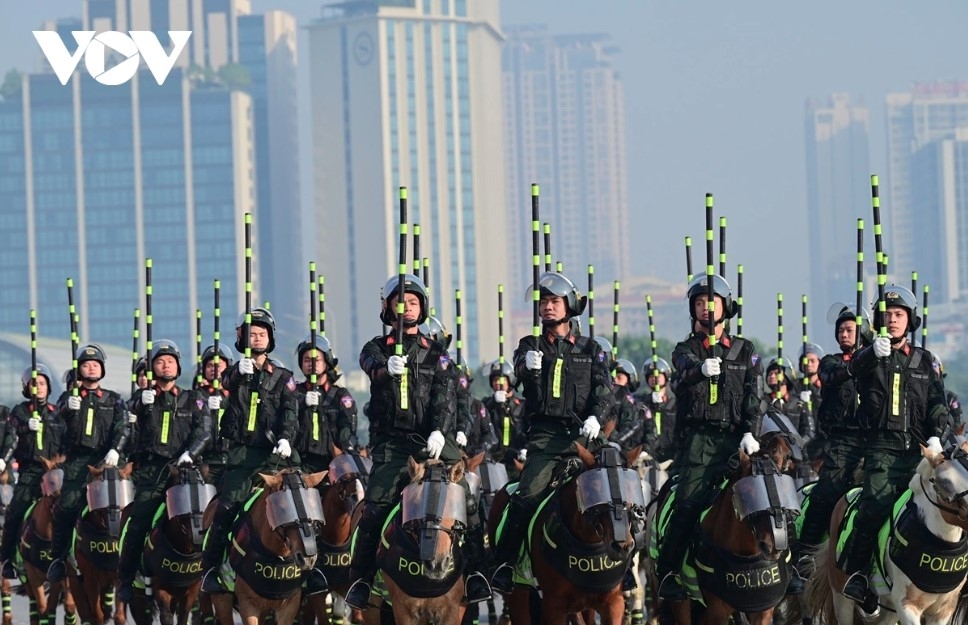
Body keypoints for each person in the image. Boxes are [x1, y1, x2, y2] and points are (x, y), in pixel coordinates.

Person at [345, 275, 490, 609]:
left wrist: (440, 430)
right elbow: (369, 366)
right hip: (393, 444)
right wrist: (385, 369)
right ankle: (362, 579)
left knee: (467, 492)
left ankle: (477, 572)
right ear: (388, 307)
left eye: (413, 302)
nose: (406, 307)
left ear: (421, 308)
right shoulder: (376, 348)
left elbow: (445, 398)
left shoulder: (437, 353)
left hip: (433, 440)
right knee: (375, 507)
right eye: (400, 301)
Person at [489, 272, 614, 595]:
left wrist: (597, 419)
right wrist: (526, 367)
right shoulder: (529, 346)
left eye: (554, 302)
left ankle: (622, 563)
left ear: (569, 306)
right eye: (543, 302)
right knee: (526, 496)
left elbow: (604, 391)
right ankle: (503, 565)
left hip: (585, 437)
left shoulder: (591, 348)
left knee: (620, 494)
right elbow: (517, 377)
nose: (547, 308)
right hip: (546, 439)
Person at [839, 286, 947, 615]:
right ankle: (858, 574)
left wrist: (937, 436)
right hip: (882, 451)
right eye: (888, 315)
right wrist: (872, 352)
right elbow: (851, 370)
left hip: (918, 454)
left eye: (899, 315)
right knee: (872, 508)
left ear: (910, 320)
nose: (894, 319)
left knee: (950, 509)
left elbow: (937, 404)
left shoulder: (925, 361)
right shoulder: (869, 357)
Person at [654, 275, 761, 601]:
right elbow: (680, 377)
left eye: (710, 302)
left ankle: (784, 564)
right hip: (700, 441)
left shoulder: (745, 350)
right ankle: (668, 572)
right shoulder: (685, 349)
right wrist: (700, 369)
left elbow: (751, 397)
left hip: (736, 441)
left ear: (725, 306)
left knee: (766, 498)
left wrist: (750, 432)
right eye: (698, 303)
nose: (704, 308)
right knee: (687, 502)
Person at [200, 307, 301, 595]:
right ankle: (211, 569)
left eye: (261, 334)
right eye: (251, 334)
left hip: (274, 458)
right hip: (242, 458)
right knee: (226, 509)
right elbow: (224, 387)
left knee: (304, 505)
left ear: (270, 339)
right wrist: (235, 375)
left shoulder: (283, 377)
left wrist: (286, 438)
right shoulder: (234, 374)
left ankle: (311, 568)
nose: (257, 338)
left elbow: (290, 413)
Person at [116, 340, 210, 601]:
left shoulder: (194, 398)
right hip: (153, 473)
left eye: (170, 361)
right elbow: (128, 415)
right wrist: (141, 403)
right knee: (137, 524)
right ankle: (126, 577)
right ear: (152, 368)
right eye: (160, 361)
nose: (166, 365)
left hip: (186, 472)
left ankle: (214, 571)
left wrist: (189, 454)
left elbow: (204, 431)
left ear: (178, 367)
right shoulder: (143, 399)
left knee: (209, 519)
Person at [795, 305, 870, 580]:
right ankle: (803, 557)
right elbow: (832, 377)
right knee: (826, 492)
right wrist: (859, 363)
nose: (843, 333)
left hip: (873, 441)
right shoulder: (831, 362)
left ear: (862, 332)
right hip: (841, 442)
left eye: (850, 329)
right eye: (840, 330)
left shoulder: (878, 363)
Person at [47, 345, 127, 582]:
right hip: (78, 464)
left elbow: (123, 427)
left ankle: (134, 558)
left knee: (125, 508)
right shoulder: (67, 398)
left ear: (102, 369)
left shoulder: (114, 399)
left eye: (95, 364)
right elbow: (55, 423)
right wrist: (66, 409)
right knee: (66, 508)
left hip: (107, 462)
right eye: (85, 364)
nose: (91, 367)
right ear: (79, 370)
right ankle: (58, 559)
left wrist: (116, 449)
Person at [0, 364, 65, 578]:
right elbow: (13, 429)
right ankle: (6, 559)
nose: (39, 387)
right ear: (27, 388)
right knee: (14, 511)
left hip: (54, 474)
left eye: (43, 383)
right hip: (30, 472)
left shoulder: (57, 414)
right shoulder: (19, 411)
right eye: (34, 383)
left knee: (70, 509)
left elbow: (66, 443)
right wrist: (27, 425)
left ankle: (69, 555)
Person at [194, 345, 233, 500]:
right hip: (207, 462)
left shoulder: (236, 395)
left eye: (218, 365)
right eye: (209, 365)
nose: (213, 369)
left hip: (231, 459)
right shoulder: (198, 395)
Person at [481, 360, 527, 479]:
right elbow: (480, 417)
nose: (497, 383)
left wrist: (527, 448)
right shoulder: (486, 404)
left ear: (510, 380)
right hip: (495, 460)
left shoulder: (522, 405)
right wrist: (493, 403)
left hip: (518, 459)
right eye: (494, 380)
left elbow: (530, 430)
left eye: (500, 379)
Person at [639, 358, 677, 464]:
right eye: (650, 376)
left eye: (657, 375)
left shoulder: (676, 404)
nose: (654, 379)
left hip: (673, 456)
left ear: (666, 376)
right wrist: (652, 404)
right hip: (650, 456)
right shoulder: (642, 402)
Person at [609, 358, 646, 453]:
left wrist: (616, 441)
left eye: (619, 377)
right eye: (613, 377)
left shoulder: (630, 401)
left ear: (629, 381)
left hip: (623, 448)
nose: (615, 380)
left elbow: (630, 424)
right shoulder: (603, 396)